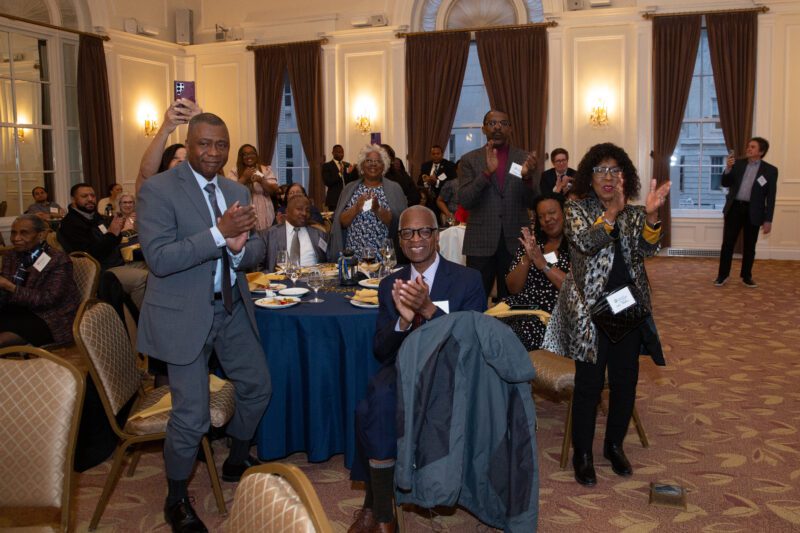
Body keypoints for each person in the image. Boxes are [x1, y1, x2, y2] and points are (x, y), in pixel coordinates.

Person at [137, 113, 271, 532]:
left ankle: (234, 459)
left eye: (221, 145)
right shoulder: (159, 190)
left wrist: (236, 248)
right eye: (204, 144)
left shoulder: (235, 189)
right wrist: (218, 234)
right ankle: (176, 497)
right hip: (182, 315)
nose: (213, 152)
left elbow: (256, 251)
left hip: (230, 309)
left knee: (258, 387)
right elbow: (159, 258)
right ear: (189, 144)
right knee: (191, 417)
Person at [348, 205, 486, 533]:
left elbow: (473, 340)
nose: (416, 239)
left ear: (437, 236)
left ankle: (373, 503)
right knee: (375, 400)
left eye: (424, 231)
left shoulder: (467, 279)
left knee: (378, 403)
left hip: (450, 372)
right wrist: (402, 321)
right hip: (402, 367)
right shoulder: (390, 284)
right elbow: (380, 349)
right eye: (407, 233)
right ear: (400, 240)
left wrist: (428, 309)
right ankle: (383, 515)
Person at [542, 142, 671, 487]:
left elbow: (648, 249)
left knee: (626, 380)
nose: (609, 176)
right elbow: (584, 242)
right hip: (589, 311)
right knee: (590, 384)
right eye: (601, 170)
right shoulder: (575, 209)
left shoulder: (632, 213)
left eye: (615, 170)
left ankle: (614, 444)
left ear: (624, 175)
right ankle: (582, 453)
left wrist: (653, 216)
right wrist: (611, 214)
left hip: (625, 305)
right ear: (589, 175)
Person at [458, 110, 539, 299]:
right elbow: (465, 199)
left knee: (513, 297)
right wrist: (487, 173)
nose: (497, 127)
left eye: (503, 123)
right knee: (475, 298)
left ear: (510, 128)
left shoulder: (524, 159)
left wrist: (527, 177)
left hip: (515, 239)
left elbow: (533, 201)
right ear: (484, 128)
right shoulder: (469, 160)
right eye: (492, 123)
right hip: (480, 241)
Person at [57, 183, 148, 309]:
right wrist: (111, 234)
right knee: (144, 278)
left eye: (92, 196)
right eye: (84, 196)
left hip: (115, 261)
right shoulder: (71, 223)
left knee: (152, 265)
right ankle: (142, 320)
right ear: (73, 199)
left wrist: (115, 233)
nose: (90, 199)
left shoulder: (95, 217)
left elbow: (112, 241)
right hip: (101, 270)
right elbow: (90, 255)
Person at [501, 193, 570, 351]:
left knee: (512, 335)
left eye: (552, 213)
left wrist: (543, 264)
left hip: (551, 315)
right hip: (520, 308)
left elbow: (574, 288)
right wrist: (528, 257)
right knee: (485, 327)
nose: (547, 219)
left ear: (565, 212)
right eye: (541, 216)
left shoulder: (577, 246)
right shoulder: (533, 243)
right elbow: (512, 288)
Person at [0, 215, 80, 347]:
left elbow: (47, 300)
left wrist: (9, 286)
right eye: (13, 233)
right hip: (18, 310)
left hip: (50, 318)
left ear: (41, 235)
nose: (16, 238)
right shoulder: (12, 257)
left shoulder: (58, 260)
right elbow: (5, 297)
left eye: (23, 233)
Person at [715, 137, 778, 288]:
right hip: (735, 208)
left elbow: (771, 196)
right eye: (748, 146)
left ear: (761, 152)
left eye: (753, 147)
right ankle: (722, 275)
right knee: (728, 244)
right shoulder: (737, 164)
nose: (748, 149)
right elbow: (725, 183)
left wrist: (768, 219)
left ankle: (746, 276)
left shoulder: (770, 170)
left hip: (754, 211)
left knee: (750, 246)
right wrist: (728, 169)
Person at [328, 145, 407, 261]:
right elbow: (341, 223)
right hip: (354, 257)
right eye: (369, 161)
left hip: (384, 257)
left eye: (378, 161)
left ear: (384, 166)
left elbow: (399, 223)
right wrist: (356, 207)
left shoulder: (394, 188)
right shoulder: (350, 189)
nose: (373, 164)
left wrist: (378, 209)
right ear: (361, 165)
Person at [135, 98, 202, 193]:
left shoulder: (199, 189)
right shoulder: (155, 189)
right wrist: (165, 127)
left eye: (186, 158)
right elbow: (145, 174)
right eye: (175, 158)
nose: (181, 161)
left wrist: (201, 122)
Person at [263, 195, 328, 271]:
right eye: (299, 209)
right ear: (287, 211)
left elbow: (330, 262)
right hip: (279, 281)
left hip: (312, 280)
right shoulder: (270, 234)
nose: (304, 213)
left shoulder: (319, 234)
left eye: (307, 210)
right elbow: (258, 268)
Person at [228, 144, 279, 232]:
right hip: (244, 216)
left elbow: (274, 191)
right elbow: (229, 192)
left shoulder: (265, 169)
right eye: (245, 154)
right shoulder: (234, 171)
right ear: (241, 157)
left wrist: (261, 181)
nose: (249, 156)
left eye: (252, 153)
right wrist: (244, 178)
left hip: (266, 216)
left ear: (256, 155)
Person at [418, 144, 457, 216]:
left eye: (438, 153)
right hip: (428, 200)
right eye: (433, 154)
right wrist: (426, 182)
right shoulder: (425, 165)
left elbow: (451, 183)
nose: (435, 155)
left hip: (443, 200)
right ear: (430, 155)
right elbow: (419, 182)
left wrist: (437, 182)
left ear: (442, 154)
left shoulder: (449, 165)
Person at [322, 144, 357, 211]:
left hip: (347, 198)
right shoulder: (327, 166)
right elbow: (327, 182)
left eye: (342, 152)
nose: (341, 154)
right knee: (335, 219)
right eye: (338, 152)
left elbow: (352, 181)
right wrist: (339, 174)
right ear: (333, 153)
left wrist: (353, 171)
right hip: (334, 200)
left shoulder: (347, 165)